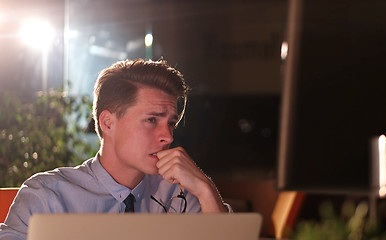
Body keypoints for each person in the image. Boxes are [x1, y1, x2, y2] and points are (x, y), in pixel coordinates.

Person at [0, 59, 231, 240]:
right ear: (108, 123)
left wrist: (205, 188)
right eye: (152, 120)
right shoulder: (48, 196)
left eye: (171, 123)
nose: (168, 136)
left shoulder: (179, 195)